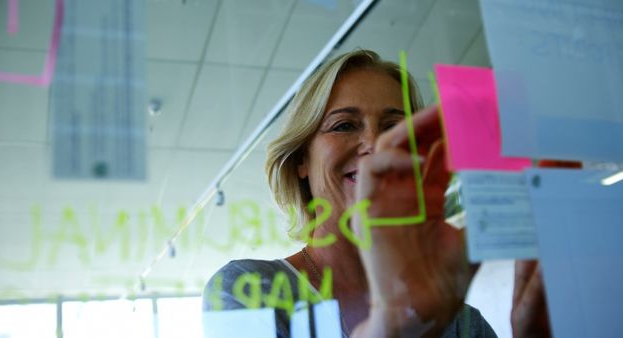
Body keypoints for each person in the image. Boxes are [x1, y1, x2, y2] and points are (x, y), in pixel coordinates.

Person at [203, 50, 549, 338]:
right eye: (344, 125)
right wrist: (392, 326)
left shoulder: (462, 322)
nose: (375, 145)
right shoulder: (250, 290)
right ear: (300, 162)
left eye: (393, 127)